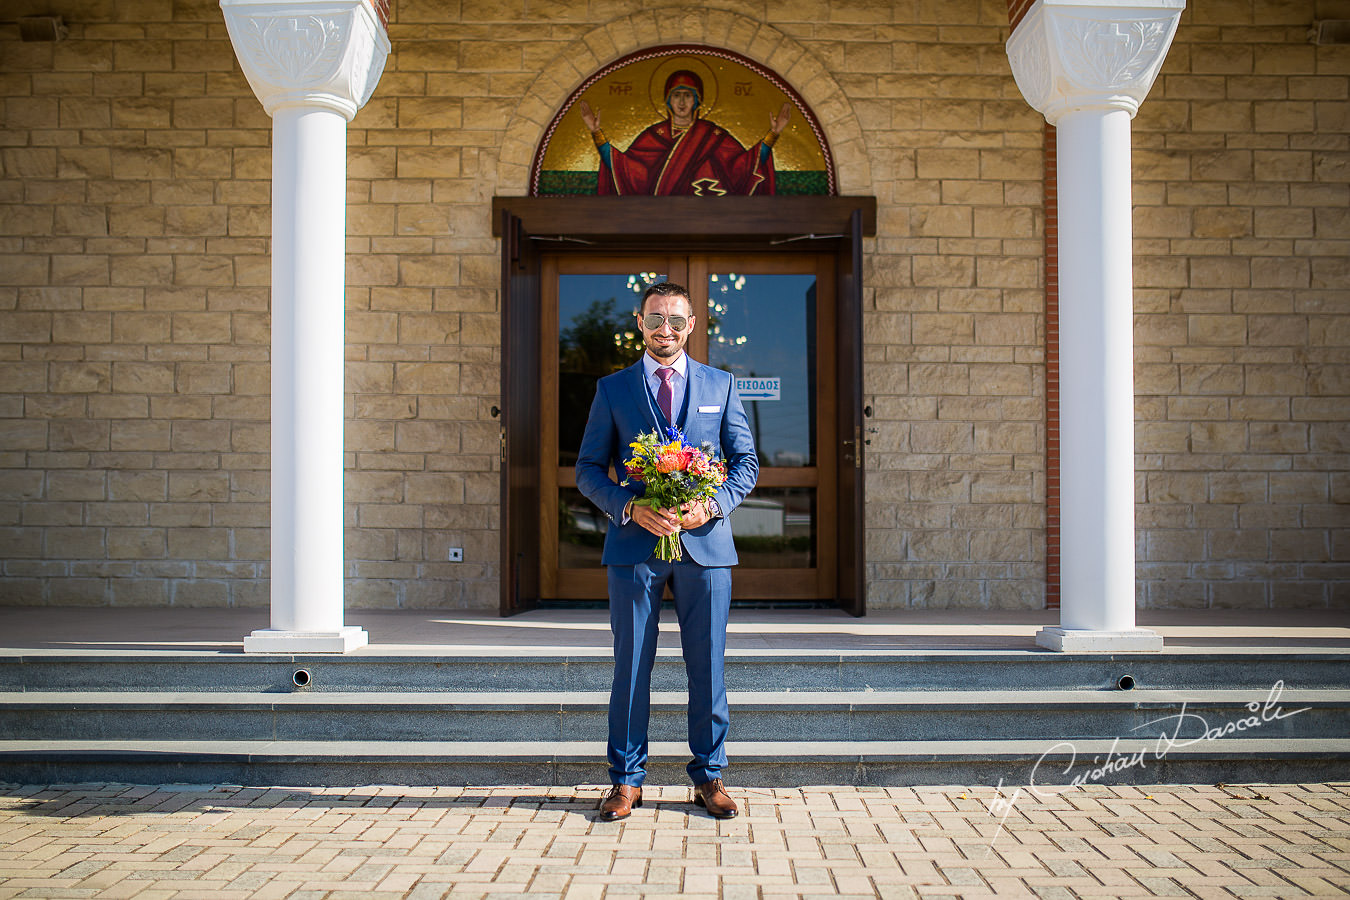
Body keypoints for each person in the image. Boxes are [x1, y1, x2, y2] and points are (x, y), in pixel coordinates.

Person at [574, 282, 759, 821]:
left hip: (705, 546)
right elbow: (587, 469)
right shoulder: (613, 390)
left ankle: (710, 776)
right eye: (656, 318)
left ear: (692, 324)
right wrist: (628, 508)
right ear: (639, 322)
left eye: (676, 320)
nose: (666, 329)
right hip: (635, 546)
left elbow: (745, 463)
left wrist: (713, 506)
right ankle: (626, 782)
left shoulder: (720, 385)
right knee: (631, 668)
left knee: (708, 667)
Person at [578, 70, 790, 196]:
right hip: (658, 220)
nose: (681, 102)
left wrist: (773, 134)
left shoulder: (713, 135)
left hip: (710, 218)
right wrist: (597, 133)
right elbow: (625, 168)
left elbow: (742, 166)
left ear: (697, 100)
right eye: (676, 95)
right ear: (668, 100)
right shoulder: (653, 135)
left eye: (687, 95)